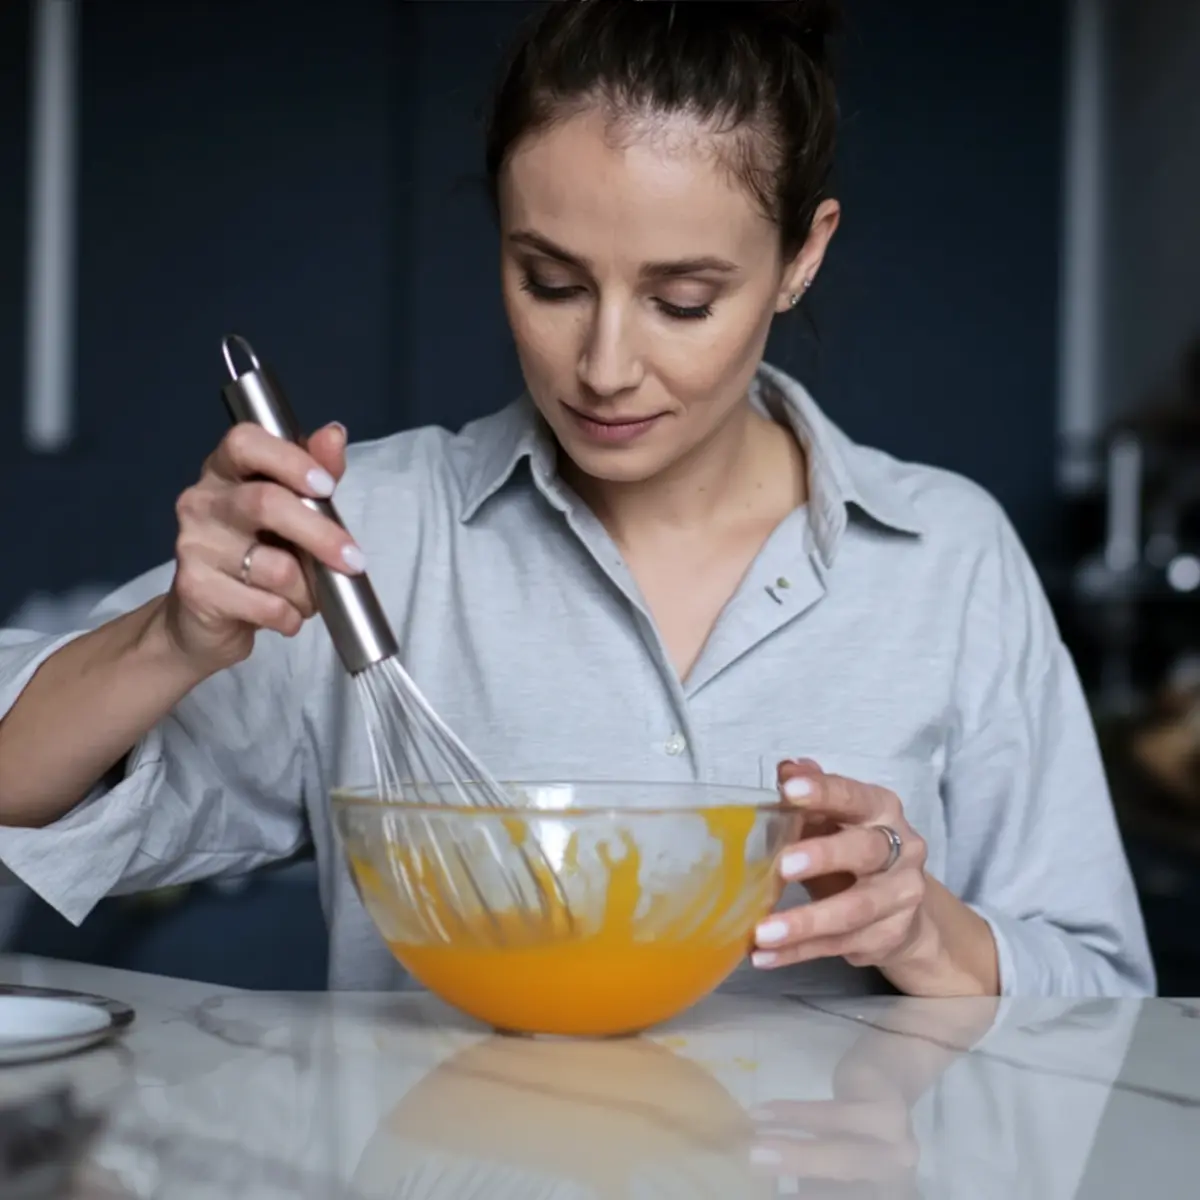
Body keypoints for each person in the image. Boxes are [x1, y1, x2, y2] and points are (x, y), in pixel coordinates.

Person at [0, 0, 1153, 997]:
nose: (603, 366)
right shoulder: (367, 540)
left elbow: (1104, 993)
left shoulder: (948, 558)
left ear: (803, 255)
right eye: (549, 281)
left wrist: (924, 927)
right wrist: (166, 640)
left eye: (684, 301)